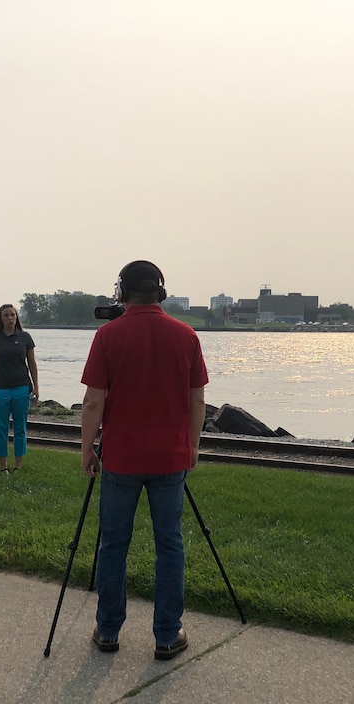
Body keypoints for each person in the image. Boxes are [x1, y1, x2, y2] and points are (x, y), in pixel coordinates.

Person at [80, 260, 208, 661]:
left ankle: (108, 630)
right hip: (170, 458)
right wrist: (192, 445)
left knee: (114, 544)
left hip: (121, 457)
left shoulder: (107, 336)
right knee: (169, 545)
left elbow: (93, 402)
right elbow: (197, 400)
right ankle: (168, 635)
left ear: (122, 292)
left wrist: (87, 447)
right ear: (161, 292)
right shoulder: (186, 336)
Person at [0, 303, 39, 473]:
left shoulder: (25, 337)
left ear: (17, 317)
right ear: (1, 318)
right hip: (0, 389)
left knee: (20, 427)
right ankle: (3, 466)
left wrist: (36, 387)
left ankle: (18, 465)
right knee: (1, 428)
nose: (10, 318)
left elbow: (32, 363)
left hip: (21, 388)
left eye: (12, 315)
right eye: (6, 315)